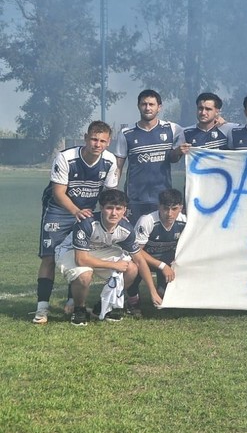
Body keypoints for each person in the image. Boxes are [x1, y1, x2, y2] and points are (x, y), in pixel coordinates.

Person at [32, 121, 119, 324]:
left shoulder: (109, 160)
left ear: (108, 142)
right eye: (94, 139)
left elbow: (108, 194)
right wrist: (76, 211)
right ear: (85, 138)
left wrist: (112, 213)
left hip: (85, 212)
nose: (97, 144)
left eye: (102, 141)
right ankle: (41, 308)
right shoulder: (66, 157)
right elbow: (58, 192)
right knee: (49, 258)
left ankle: (72, 301)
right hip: (59, 211)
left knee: (80, 254)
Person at [54, 189, 143, 325]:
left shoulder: (126, 228)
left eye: (118, 208)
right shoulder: (86, 223)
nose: (114, 213)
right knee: (85, 275)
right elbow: (81, 259)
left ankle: (102, 306)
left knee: (131, 269)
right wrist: (114, 265)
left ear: (124, 210)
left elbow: (140, 260)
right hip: (71, 251)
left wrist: (153, 292)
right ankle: (80, 310)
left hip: (99, 250)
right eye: (109, 208)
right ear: (101, 208)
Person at [114, 90, 183, 225]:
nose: (148, 108)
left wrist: (178, 151)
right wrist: (114, 192)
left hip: (163, 199)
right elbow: (118, 166)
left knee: (159, 238)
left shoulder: (173, 129)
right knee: (133, 239)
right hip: (135, 199)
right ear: (138, 106)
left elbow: (174, 158)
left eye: (151, 104)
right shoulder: (127, 133)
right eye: (144, 104)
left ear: (159, 107)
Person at [133, 188, 186, 306]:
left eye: (174, 209)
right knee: (133, 268)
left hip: (168, 262)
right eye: (166, 208)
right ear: (159, 207)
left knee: (164, 296)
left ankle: (166, 291)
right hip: (145, 261)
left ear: (181, 208)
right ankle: (132, 299)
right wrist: (161, 265)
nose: (169, 213)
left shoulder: (185, 222)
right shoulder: (147, 221)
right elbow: (136, 251)